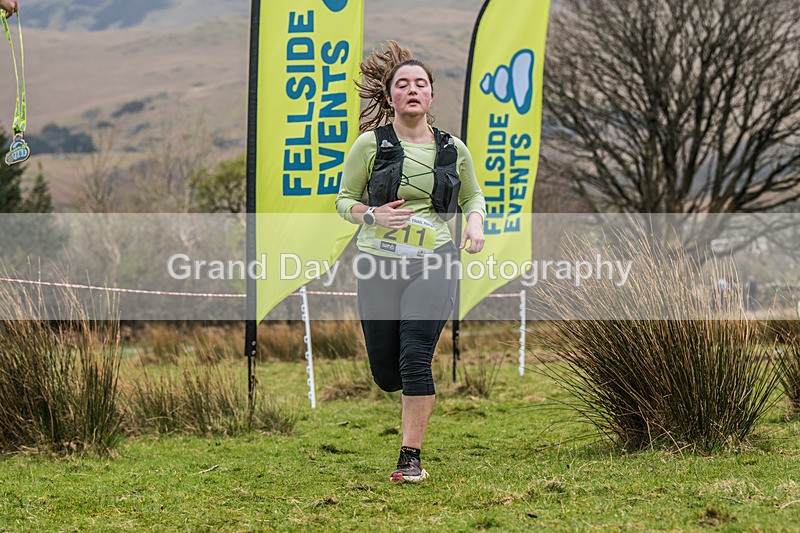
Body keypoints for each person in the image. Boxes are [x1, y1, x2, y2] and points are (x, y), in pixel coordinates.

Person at [336, 41, 485, 482]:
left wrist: (474, 224)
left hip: (434, 259)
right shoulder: (370, 145)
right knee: (386, 372)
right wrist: (373, 213)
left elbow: (472, 194)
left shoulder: (453, 148)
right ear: (390, 97)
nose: (413, 90)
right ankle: (403, 392)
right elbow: (343, 201)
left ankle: (410, 458)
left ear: (432, 95)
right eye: (403, 84)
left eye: (421, 83)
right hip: (378, 263)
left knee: (415, 356)